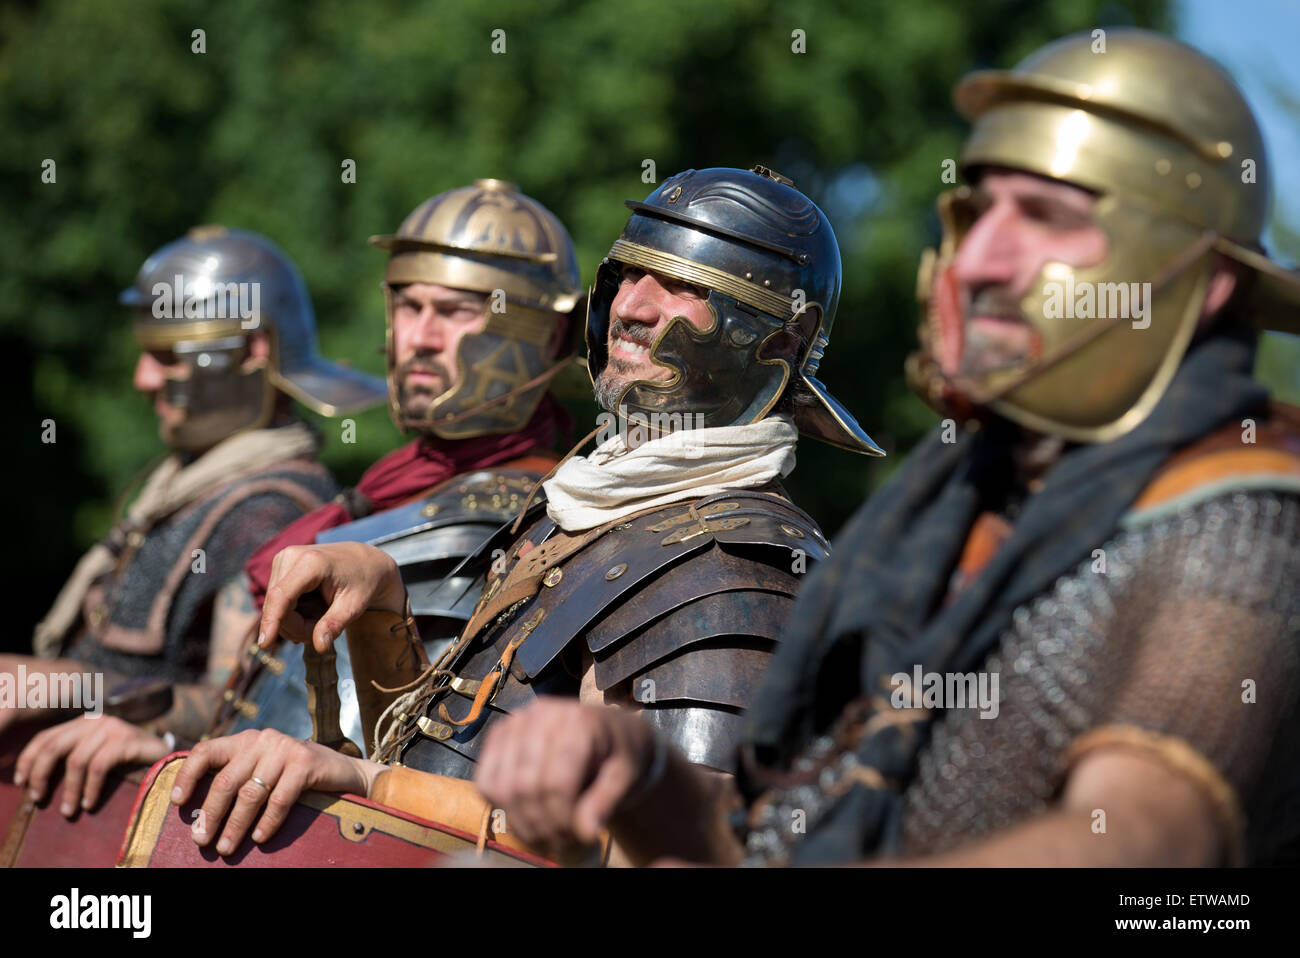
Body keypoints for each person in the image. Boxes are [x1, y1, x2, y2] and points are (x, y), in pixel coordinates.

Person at [466, 29, 1300, 867]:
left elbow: (1147, 842)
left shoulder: (1237, 520)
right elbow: (776, 844)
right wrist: (646, 780)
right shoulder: (949, 508)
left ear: (1203, 276)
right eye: (975, 215)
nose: (980, 259)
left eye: (1048, 218)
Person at [167, 166, 883, 862]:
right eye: (628, 276)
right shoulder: (587, 502)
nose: (631, 309)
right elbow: (440, 749)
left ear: (782, 340)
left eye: (681, 288)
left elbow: (672, 850)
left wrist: (368, 783)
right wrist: (384, 601)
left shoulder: (733, 566)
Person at [9, 226, 385, 818]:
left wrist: (56, 685)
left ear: (252, 351)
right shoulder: (182, 486)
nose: (144, 380)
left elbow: (238, 712)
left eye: (167, 357)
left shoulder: (270, 512)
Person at [210, 179, 582, 750]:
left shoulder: (549, 519)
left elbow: (434, 757)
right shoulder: (389, 486)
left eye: (456, 311)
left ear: (548, 331)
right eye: (409, 306)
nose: (421, 338)